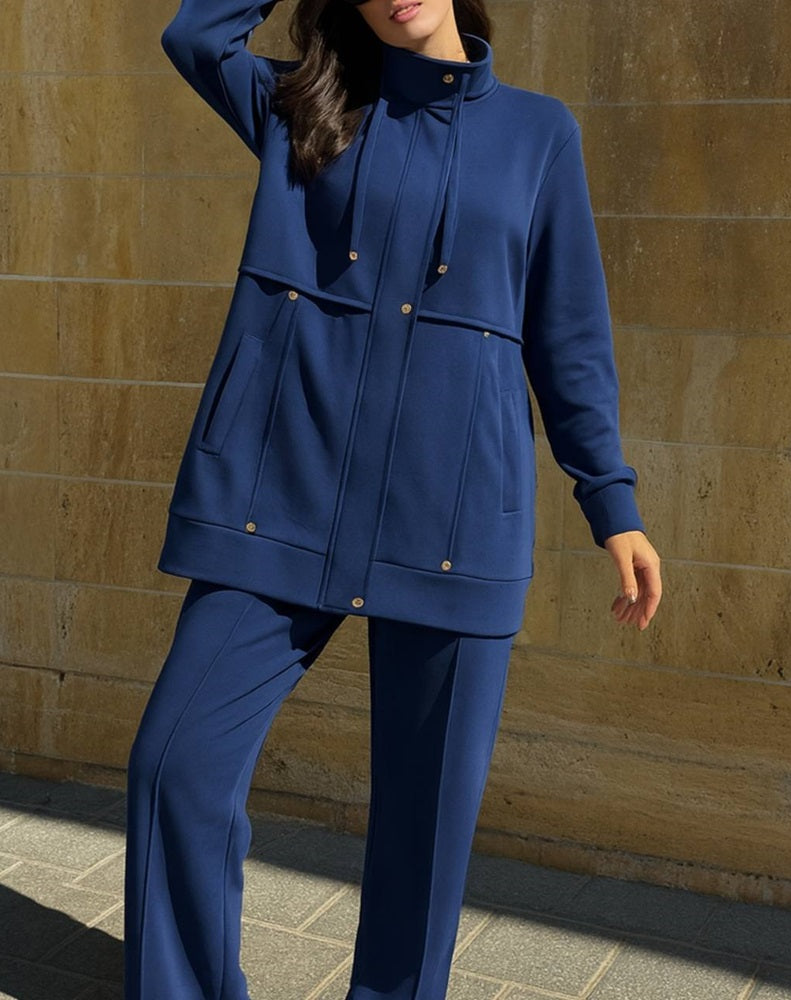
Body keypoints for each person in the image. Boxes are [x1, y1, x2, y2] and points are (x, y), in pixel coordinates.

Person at [124, 0, 663, 996]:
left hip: (452, 519)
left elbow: (569, 334)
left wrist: (611, 499)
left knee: (425, 831)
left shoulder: (539, 134)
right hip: (277, 497)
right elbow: (195, 37)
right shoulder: (303, 106)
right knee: (174, 766)